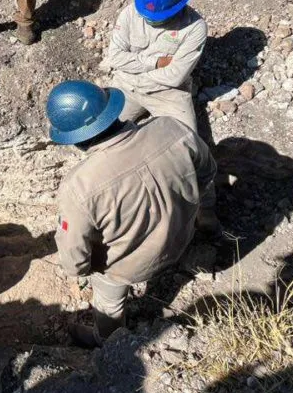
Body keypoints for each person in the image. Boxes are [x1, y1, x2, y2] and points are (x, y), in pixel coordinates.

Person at [46, 80, 217, 348]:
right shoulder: (171, 128)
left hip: (127, 269)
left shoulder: (79, 186)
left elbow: (74, 259)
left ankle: (108, 340)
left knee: (108, 301)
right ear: (112, 111)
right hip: (183, 237)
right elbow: (207, 172)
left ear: (76, 139)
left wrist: (83, 271)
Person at [105, 0, 207, 133]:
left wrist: (132, 67)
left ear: (178, 6)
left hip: (166, 93)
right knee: (102, 133)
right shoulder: (130, 13)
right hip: (126, 87)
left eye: (157, 18)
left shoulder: (195, 27)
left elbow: (175, 76)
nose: (149, 20)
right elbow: (115, 58)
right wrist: (157, 62)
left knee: (186, 141)